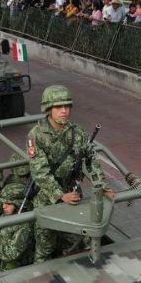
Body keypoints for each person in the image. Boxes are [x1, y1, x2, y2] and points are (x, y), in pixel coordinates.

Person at [27, 86, 115, 263]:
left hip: (73, 195)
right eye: (59, 107)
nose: (64, 111)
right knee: (45, 247)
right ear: (48, 109)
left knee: (77, 242)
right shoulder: (36, 135)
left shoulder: (78, 132)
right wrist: (60, 195)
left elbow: (92, 162)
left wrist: (103, 187)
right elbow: (40, 172)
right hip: (47, 199)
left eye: (67, 106)